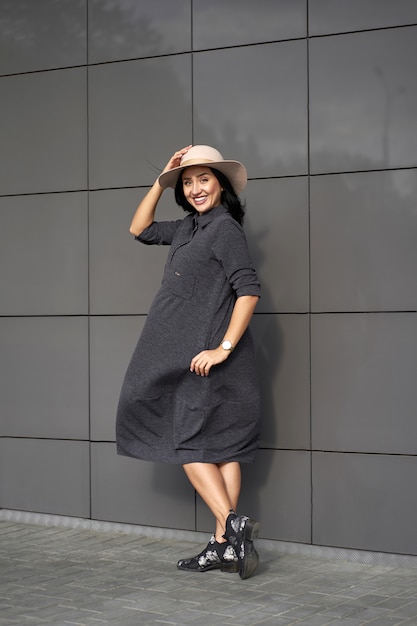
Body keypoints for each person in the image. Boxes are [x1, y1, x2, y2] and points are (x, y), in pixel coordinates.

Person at [116, 145, 261, 579]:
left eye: (204, 179)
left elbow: (249, 290)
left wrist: (223, 348)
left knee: (185, 440)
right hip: (186, 354)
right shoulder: (187, 229)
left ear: (221, 184)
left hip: (204, 358)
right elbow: (138, 228)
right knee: (220, 448)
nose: (196, 188)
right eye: (187, 181)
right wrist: (162, 176)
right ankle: (225, 545)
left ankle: (231, 526)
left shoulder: (224, 230)